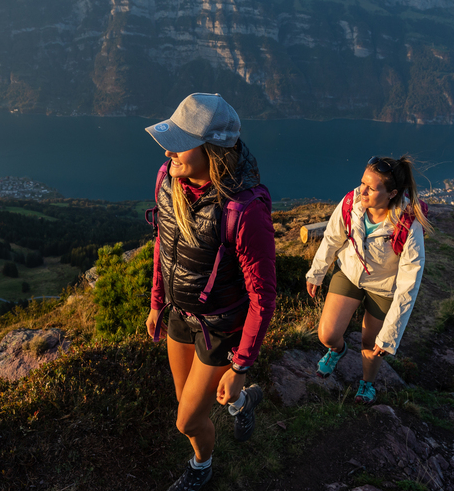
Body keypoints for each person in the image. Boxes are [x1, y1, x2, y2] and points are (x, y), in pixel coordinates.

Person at [144, 93, 277, 491]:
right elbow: (163, 244)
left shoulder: (245, 210)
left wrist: (240, 366)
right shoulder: (168, 179)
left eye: (181, 142)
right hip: (179, 316)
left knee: (187, 420)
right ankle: (243, 403)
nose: (169, 151)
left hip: (219, 328)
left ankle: (201, 467)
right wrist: (156, 303)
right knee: (192, 404)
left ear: (212, 149)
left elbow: (263, 297)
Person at [305, 156, 432, 404]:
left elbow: (409, 282)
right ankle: (338, 350)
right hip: (350, 274)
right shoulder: (352, 202)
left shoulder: (408, 223)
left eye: (371, 188)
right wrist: (316, 273)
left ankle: (367, 384)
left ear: (392, 193)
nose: (361, 190)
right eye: (362, 182)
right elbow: (332, 237)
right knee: (327, 335)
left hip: (383, 288)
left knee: (372, 344)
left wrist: (391, 335)